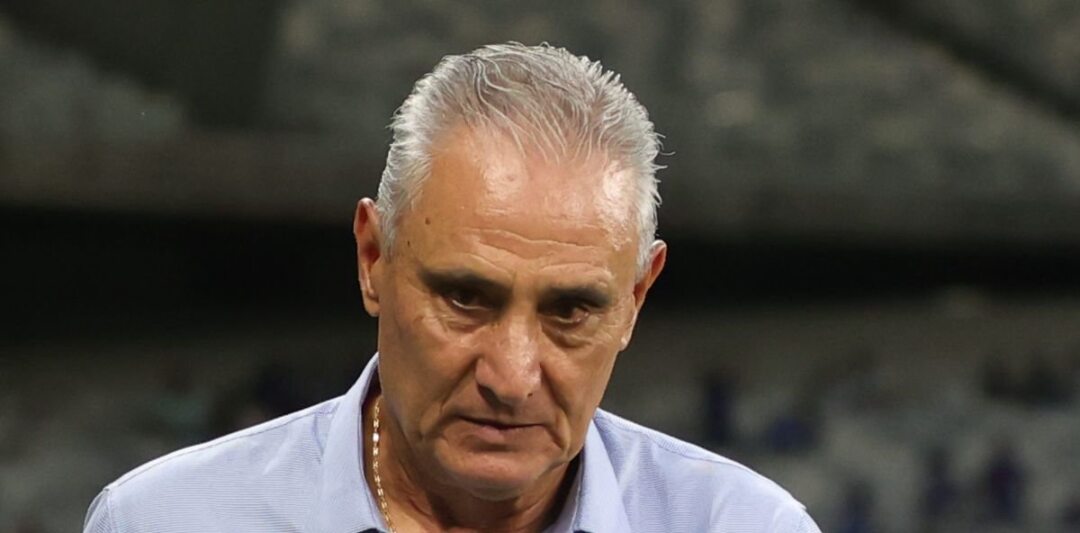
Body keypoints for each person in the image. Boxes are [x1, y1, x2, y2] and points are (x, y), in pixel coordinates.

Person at [84, 43, 820, 533]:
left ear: (635, 300)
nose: (511, 377)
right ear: (373, 258)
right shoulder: (164, 522)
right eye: (466, 299)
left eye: (571, 310)